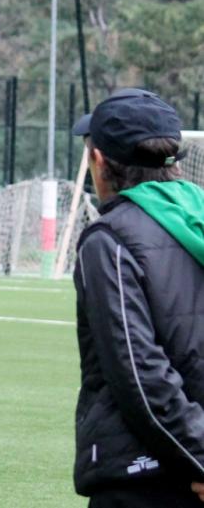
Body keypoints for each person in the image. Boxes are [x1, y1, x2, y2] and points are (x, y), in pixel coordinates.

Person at [71, 88, 204, 507]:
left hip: (148, 475)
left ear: (99, 162)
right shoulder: (196, 217)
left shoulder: (109, 240)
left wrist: (198, 461)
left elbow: (138, 373)